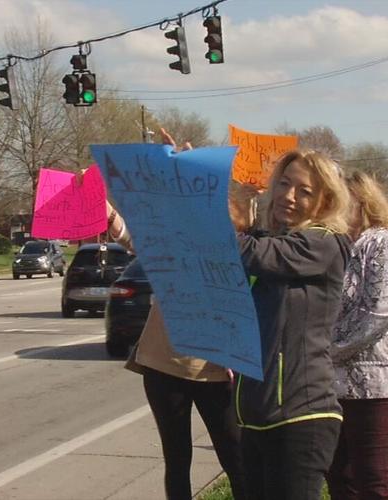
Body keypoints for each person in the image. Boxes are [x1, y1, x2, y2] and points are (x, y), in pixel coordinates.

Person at [104, 129, 248, 500]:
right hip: (163, 366)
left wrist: (190, 167)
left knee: (236, 456)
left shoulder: (240, 252)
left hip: (217, 370)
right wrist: (104, 210)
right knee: (177, 459)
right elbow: (132, 236)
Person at [230, 149, 351, 500]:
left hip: (302, 415)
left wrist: (203, 206)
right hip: (256, 414)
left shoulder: (324, 244)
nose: (288, 196)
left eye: (304, 191)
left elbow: (253, 253)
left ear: (325, 200)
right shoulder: (273, 240)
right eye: (283, 184)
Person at [327, 171, 388, 500]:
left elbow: (378, 312)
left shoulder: (384, 244)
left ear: (362, 202)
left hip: (383, 386)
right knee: (341, 480)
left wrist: (325, 350)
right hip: (340, 384)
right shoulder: (340, 247)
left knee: (375, 484)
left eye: (340, 201)